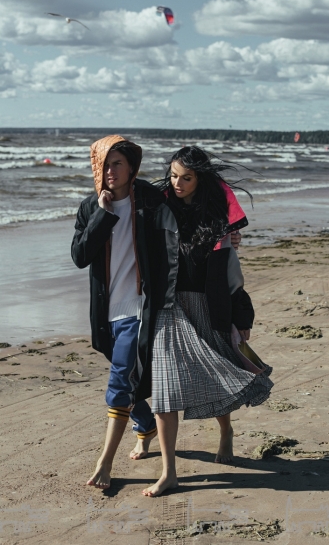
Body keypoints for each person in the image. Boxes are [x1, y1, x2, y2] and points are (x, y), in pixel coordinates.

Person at [71, 136, 242, 490]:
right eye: (104, 164)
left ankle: (108, 464)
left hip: (152, 306)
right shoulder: (90, 207)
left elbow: (204, 189)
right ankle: (145, 424)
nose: (109, 171)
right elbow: (80, 256)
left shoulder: (148, 200)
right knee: (129, 375)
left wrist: (227, 231)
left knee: (131, 381)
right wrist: (102, 215)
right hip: (108, 313)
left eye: (117, 163)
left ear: (132, 168)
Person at [142, 145, 273, 497]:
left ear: (200, 178)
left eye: (186, 177)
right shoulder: (158, 206)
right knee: (165, 391)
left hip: (205, 306)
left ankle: (225, 430)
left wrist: (241, 314)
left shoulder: (218, 219)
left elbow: (232, 274)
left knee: (215, 374)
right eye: (173, 176)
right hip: (167, 308)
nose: (178, 183)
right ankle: (169, 472)